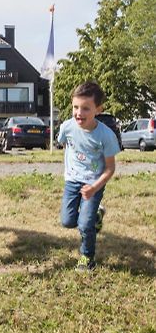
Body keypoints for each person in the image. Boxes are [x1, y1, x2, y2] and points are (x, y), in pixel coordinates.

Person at [58, 82, 121, 272]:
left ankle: (87, 257)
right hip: (72, 181)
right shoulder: (67, 127)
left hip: (94, 183)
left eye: (86, 108)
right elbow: (64, 143)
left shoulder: (106, 135)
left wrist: (94, 187)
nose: (79, 113)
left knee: (84, 225)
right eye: (76, 107)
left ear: (98, 109)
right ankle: (95, 217)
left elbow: (110, 168)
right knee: (67, 221)